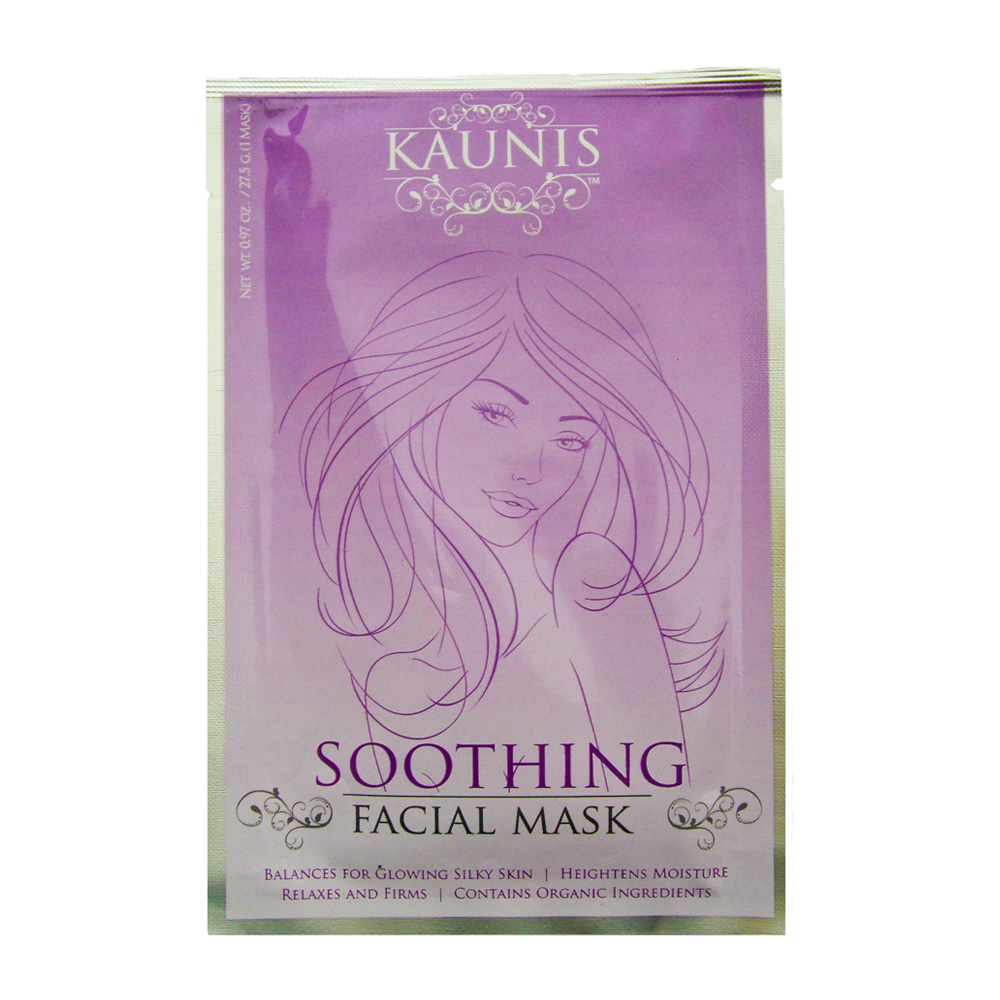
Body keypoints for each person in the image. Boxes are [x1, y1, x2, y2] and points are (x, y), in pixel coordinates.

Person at [291, 251, 723, 779]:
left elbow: (662, 789)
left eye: (570, 439)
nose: (531, 468)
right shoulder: (324, 580)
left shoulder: (594, 587)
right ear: (418, 400)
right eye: (496, 414)